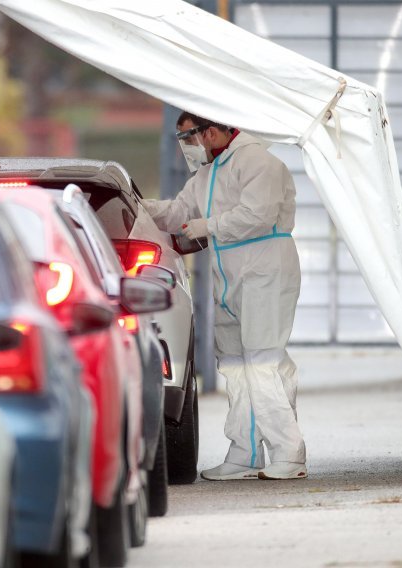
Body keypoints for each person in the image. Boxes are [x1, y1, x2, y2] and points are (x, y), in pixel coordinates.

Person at [142, 111, 307, 481]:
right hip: (229, 274)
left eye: (189, 137)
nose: (187, 147)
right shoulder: (205, 174)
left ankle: (288, 452)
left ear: (212, 131)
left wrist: (208, 226)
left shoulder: (258, 162)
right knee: (234, 362)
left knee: (264, 360)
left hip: (265, 267)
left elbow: (258, 215)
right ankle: (245, 453)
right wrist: (139, 205)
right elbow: (176, 212)